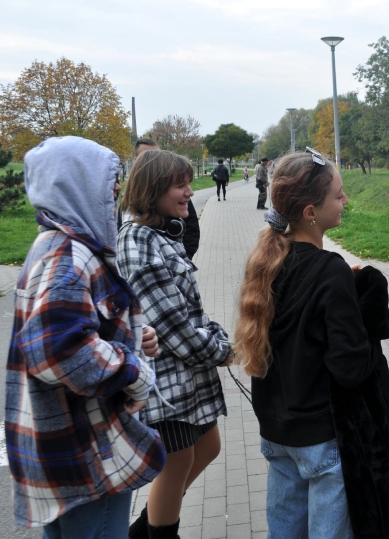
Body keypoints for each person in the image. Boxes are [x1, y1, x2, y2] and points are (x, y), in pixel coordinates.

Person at [234, 150, 389, 538]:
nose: (346, 200)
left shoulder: (267, 262)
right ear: (310, 212)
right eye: (338, 194)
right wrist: (366, 312)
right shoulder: (330, 270)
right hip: (321, 438)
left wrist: (342, 291)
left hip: (277, 432)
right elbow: (350, 367)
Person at [6, 136, 165, 535]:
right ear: (75, 185)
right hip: (86, 452)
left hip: (69, 450)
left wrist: (132, 335)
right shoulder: (68, 257)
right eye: (107, 182)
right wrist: (135, 373)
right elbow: (61, 351)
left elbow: (74, 329)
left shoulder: (61, 247)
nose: (117, 190)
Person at [118, 150, 233, 539]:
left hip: (187, 374)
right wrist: (223, 350)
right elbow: (171, 326)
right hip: (167, 379)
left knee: (208, 447)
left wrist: (218, 337)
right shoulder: (139, 241)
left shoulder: (159, 234)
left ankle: (144, 529)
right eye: (180, 185)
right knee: (177, 461)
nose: (190, 192)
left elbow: (188, 310)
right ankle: (160, 533)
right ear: (152, 191)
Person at [134, 138, 201, 260]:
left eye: (158, 155)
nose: (190, 193)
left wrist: (184, 258)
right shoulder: (140, 238)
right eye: (147, 157)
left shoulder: (179, 200)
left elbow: (192, 229)